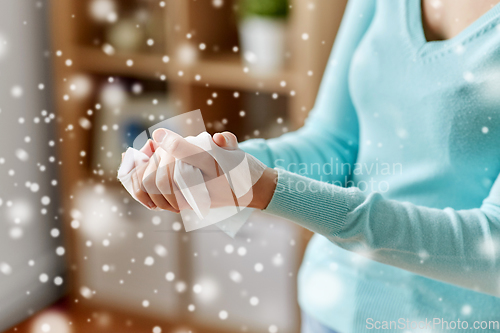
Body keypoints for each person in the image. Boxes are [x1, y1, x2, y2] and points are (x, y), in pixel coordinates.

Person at [126, 0, 500, 331]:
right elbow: (332, 142)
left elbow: (492, 249)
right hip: (328, 306)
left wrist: (264, 188)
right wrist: (220, 164)